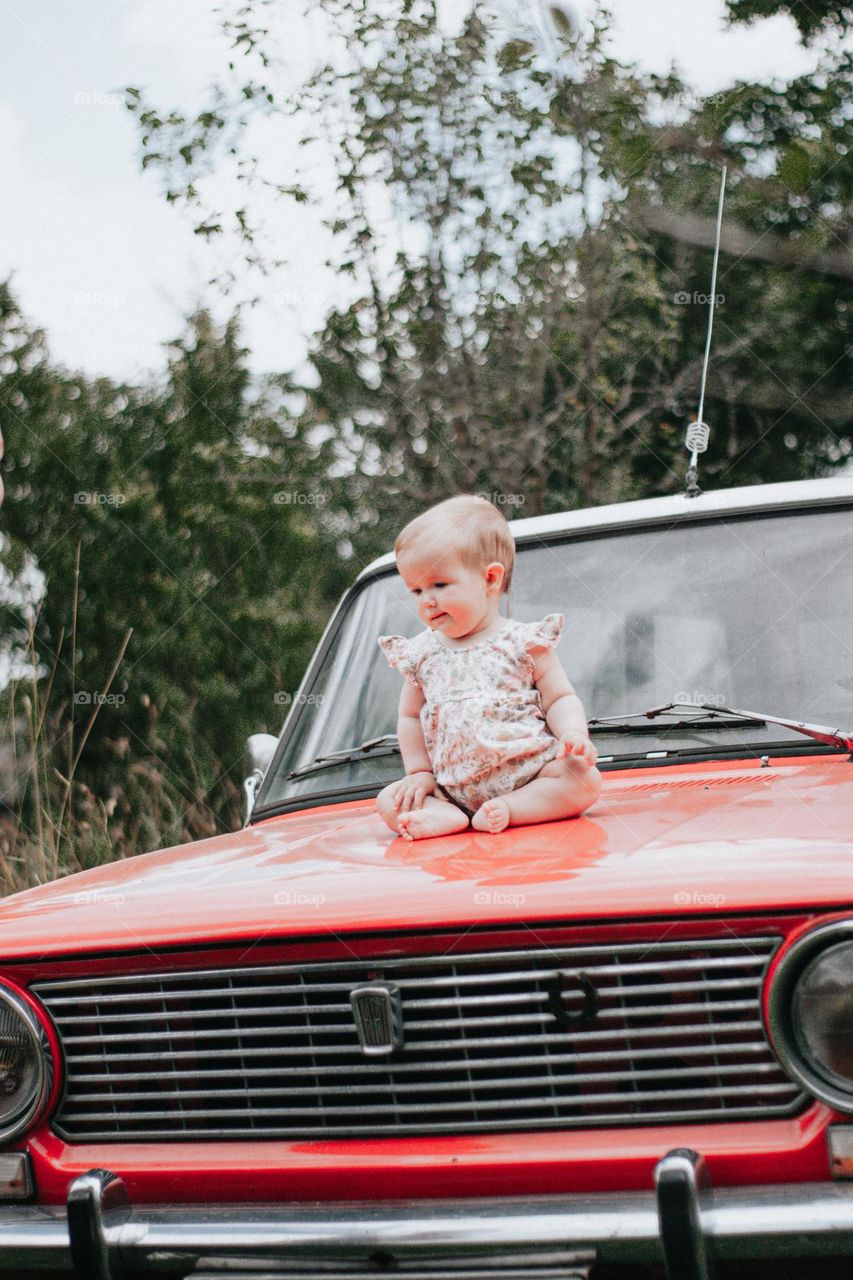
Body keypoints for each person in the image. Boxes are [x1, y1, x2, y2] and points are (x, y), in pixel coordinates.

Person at [375, 494, 602, 840]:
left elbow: (559, 698)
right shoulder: (420, 654)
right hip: (449, 786)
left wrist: (573, 734)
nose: (427, 601)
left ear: (491, 579)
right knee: (388, 800)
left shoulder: (525, 643)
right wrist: (419, 772)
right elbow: (409, 717)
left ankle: (513, 807)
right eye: (416, 590)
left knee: (582, 780)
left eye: (439, 585)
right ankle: (446, 814)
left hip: (529, 776)